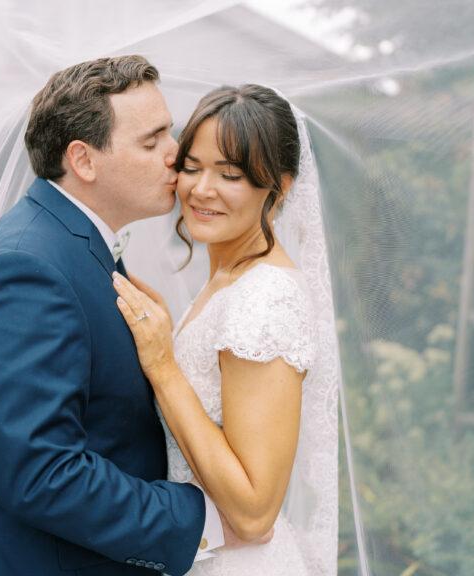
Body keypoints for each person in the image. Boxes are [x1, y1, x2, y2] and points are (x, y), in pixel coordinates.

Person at [0, 56, 265, 576]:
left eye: (171, 133)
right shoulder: (29, 267)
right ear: (84, 160)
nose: (177, 156)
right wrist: (200, 520)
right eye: (152, 142)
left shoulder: (78, 241)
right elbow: (41, 471)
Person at [113, 85, 339, 575]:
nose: (201, 189)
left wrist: (163, 365)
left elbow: (255, 513)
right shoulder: (227, 280)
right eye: (192, 167)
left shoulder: (265, 299)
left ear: (278, 187)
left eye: (230, 174)